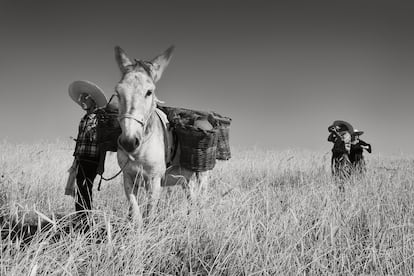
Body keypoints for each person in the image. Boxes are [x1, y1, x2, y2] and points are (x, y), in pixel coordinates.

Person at [67, 80, 107, 218]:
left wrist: (101, 164)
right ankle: (82, 219)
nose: (81, 100)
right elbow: (79, 142)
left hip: (92, 160)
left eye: (85, 97)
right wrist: (75, 162)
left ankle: (84, 221)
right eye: (80, 98)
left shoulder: (100, 119)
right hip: (81, 159)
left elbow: (103, 144)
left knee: (84, 188)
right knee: (81, 188)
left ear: (93, 100)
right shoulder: (83, 119)